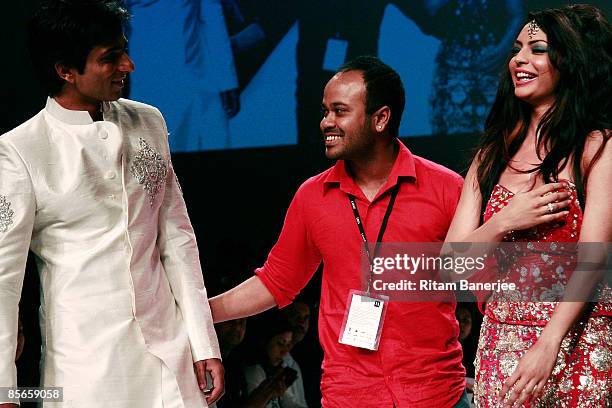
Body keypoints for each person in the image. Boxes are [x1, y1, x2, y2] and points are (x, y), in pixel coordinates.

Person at [211, 56, 470, 407]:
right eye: (325, 111)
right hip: (351, 394)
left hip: (436, 394)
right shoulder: (312, 196)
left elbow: (485, 277)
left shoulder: (446, 188)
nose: (325, 122)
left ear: (380, 118)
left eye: (339, 111)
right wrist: (200, 311)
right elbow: (276, 282)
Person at [0, 1, 223, 406]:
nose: (128, 65)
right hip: (86, 364)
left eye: (124, 50)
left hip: (168, 350)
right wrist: (5, 390)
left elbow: (177, 239)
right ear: (65, 71)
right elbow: (4, 279)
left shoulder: (148, 121)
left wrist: (204, 342)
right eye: (111, 58)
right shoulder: (21, 150)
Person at [444, 4, 611, 407]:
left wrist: (549, 343)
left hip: (577, 344)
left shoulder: (597, 147)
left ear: (569, 61)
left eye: (537, 49)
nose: (519, 59)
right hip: (499, 344)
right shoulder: (491, 156)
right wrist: (503, 221)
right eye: (517, 49)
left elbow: (594, 259)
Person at [126, 0, 240, 152]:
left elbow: (212, 18)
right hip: (166, 75)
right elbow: (212, 19)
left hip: (184, 76)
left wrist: (227, 81)